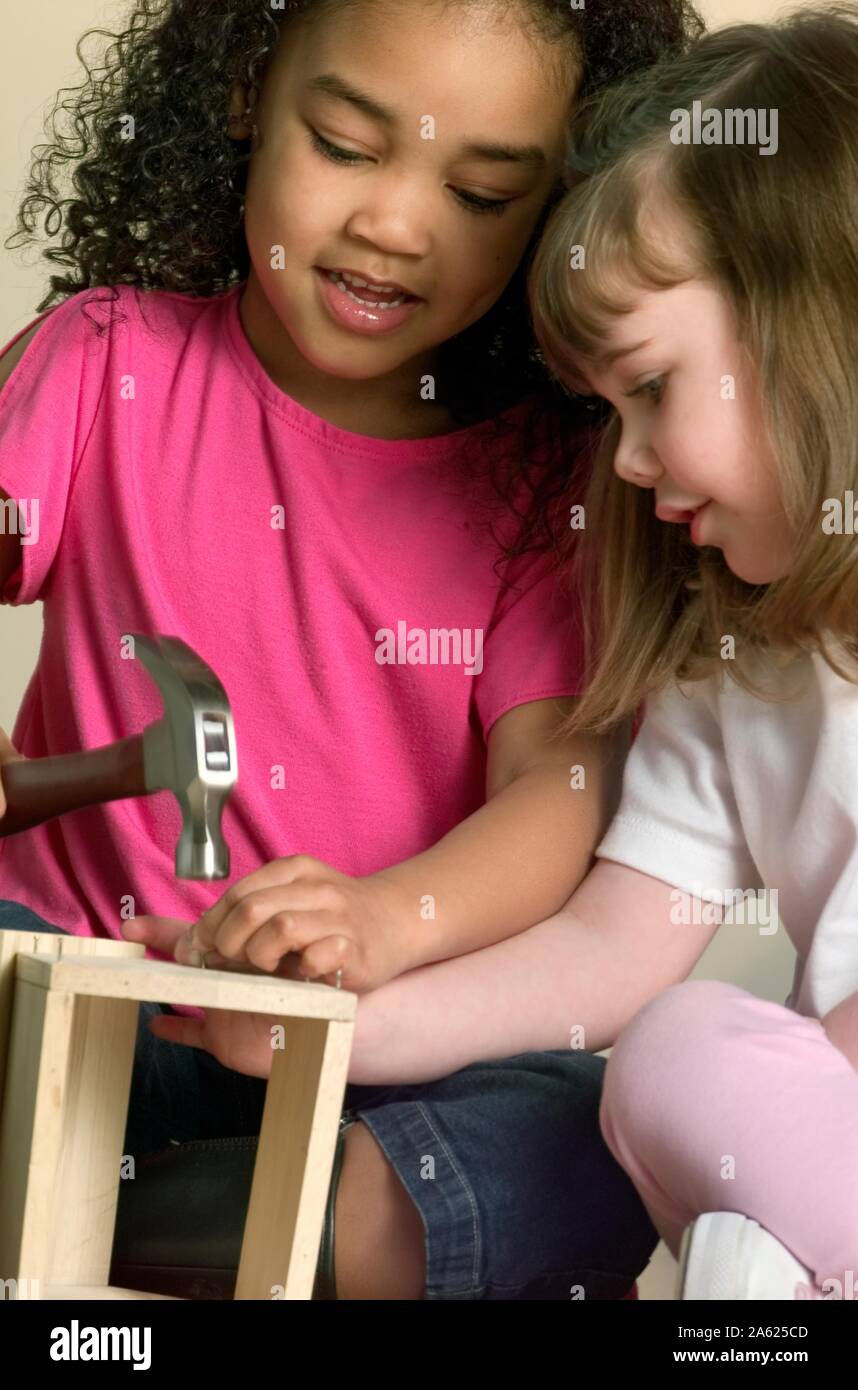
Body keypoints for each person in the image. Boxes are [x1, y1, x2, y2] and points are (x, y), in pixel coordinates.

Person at [0, 0, 704, 1300]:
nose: (395, 224)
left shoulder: (546, 488)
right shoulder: (107, 363)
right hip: (78, 1003)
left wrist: (385, 921)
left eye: (484, 192)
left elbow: (556, 787)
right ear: (244, 104)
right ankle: (137, 1192)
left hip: (371, 1064)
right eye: (342, 143)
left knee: (596, 1132)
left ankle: (163, 1218)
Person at [313, 3, 858, 1300]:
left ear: (818, 330)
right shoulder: (738, 669)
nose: (622, 459)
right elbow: (606, 950)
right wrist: (333, 1031)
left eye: (652, 388)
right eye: (606, 409)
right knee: (698, 1117)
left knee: (693, 1066)